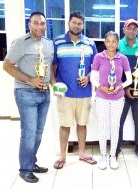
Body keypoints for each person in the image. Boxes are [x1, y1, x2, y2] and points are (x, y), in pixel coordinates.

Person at [3, 12, 54, 183]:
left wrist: (54, 84)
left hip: (44, 93)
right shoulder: (20, 42)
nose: (40, 27)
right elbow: (7, 66)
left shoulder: (48, 44)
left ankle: (31, 163)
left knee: (38, 133)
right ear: (29, 24)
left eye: (42, 24)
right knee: (29, 133)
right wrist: (30, 80)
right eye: (36, 23)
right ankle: (25, 169)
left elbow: (50, 67)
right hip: (25, 92)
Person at [51, 11, 98, 169]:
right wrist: (54, 84)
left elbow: (96, 68)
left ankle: (82, 154)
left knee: (82, 124)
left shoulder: (90, 43)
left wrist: (89, 77)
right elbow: (53, 66)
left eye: (79, 23)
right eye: (74, 22)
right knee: (64, 125)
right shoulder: (57, 42)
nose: (76, 25)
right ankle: (62, 156)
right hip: (65, 94)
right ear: (69, 23)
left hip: (84, 94)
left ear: (83, 25)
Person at [91, 31, 132, 170]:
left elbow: (130, 79)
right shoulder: (98, 57)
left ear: (117, 43)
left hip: (118, 97)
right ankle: (103, 156)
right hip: (102, 97)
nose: (111, 44)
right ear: (104, 42)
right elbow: (93, 78)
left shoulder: (123, 59)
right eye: (108, 41)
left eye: (114, 41)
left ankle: (112, 156)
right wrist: (101, 88)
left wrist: (119, 86)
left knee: (115, 127)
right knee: (103, 127)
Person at [115, 18, 138, 161]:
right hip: (121, 92)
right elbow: (115, 70)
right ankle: (115, 149)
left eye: (134, 28)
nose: (131, 30)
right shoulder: (118, 46)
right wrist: (124, 89)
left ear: (137, 30)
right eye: (129, 28)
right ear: (124, 30)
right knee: (118, 121)